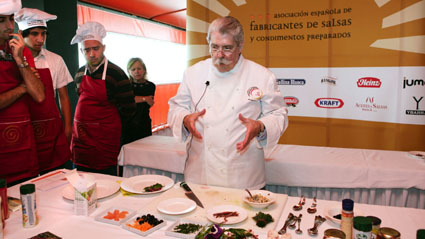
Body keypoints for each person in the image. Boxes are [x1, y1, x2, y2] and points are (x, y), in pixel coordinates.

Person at [167, 16, 288, 190]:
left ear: (240, 46)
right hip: (201, 175)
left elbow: (278, 114)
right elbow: (176, 108)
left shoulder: (262, 76)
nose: (219, 55)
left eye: (227, 48)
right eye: (214, 47)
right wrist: (185, 119)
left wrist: (260, 126)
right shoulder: (193, 73)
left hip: (243, 176)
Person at [70, 21, 136, 176]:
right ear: (82, 51)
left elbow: (129, 109)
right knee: (81, 183)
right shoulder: (79, 74)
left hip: (104, 142)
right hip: (81, 141)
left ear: (103, 48)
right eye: (87, 50)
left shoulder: (116, 74)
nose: (92, 54)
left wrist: (108, 127)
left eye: (96, 48)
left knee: (107, 183)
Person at [15, 8, 72, 174]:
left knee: (55, 178)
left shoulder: (55, 60)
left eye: (43, 34)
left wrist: (67, 128)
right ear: (21, 34)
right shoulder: (14, 61)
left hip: (52, 131)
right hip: (25, 131)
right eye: (34, 34)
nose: (40, 39)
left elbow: (63, 97)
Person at [0, 0, 45, 185]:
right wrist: (23, 87)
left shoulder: (21, 51)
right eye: (2, 20)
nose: (10, 26)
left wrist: (19, 59)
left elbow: (39, 95)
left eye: (12, 19)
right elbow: (30, 88)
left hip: (24, 143)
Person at [122, 57, 156, 144]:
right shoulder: (125, 85)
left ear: (144, 70)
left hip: (143, 122)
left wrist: (137, 99)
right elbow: (126, 101)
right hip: (128, 124)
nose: (136, 71)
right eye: (133, 69)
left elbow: (150, 103)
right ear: (129, 71)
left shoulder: (150, 85)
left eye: (139, 68)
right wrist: (144, 99)